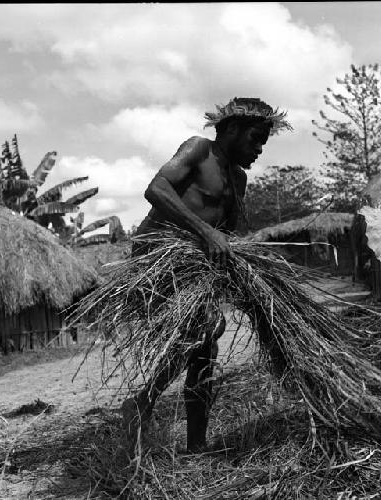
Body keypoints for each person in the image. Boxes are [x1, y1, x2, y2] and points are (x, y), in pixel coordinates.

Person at [121, 97, 292, 453]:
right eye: (255, 138)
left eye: (264, 142)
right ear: (230, 130)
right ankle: (144, 401)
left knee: (205, 349)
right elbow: (156, 189)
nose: (259, 149)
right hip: (159, 259)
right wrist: (205, 231)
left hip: (197, 266)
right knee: (208, 329)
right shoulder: (199, 149)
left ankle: (193, 443)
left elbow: (224, 236)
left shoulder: (238, 180)